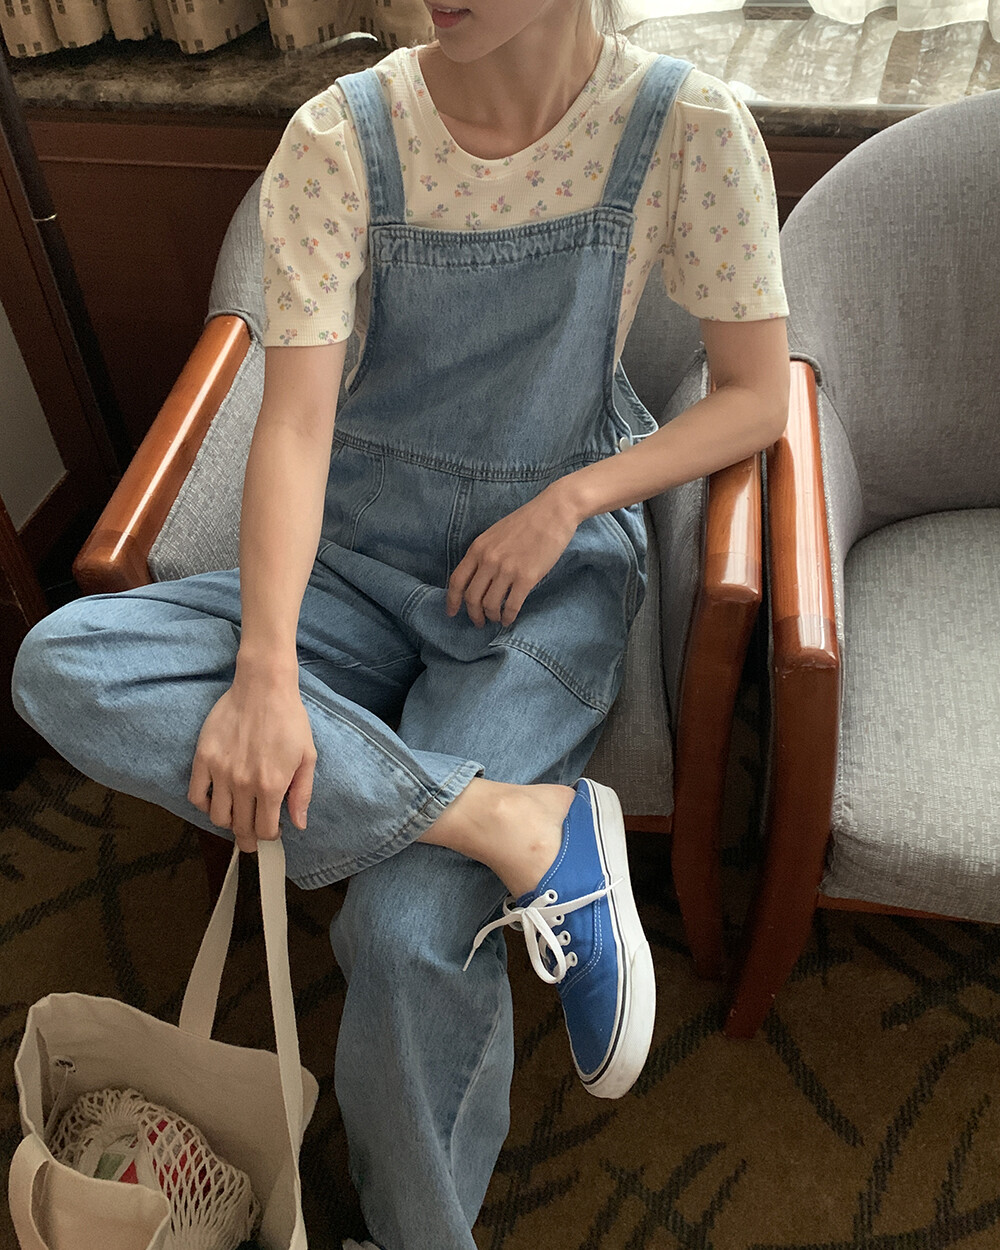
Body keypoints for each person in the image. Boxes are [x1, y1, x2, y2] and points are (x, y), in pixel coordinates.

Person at [12, 1, 789, 1246]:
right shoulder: (342, 135)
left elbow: (754, 398)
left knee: (402, 924)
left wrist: (570, 499)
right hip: (355, 557)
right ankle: (511, 821)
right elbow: (294, 425)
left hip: (540, 579)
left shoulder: (686, 125)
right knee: (63, 660)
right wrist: (266, 667)